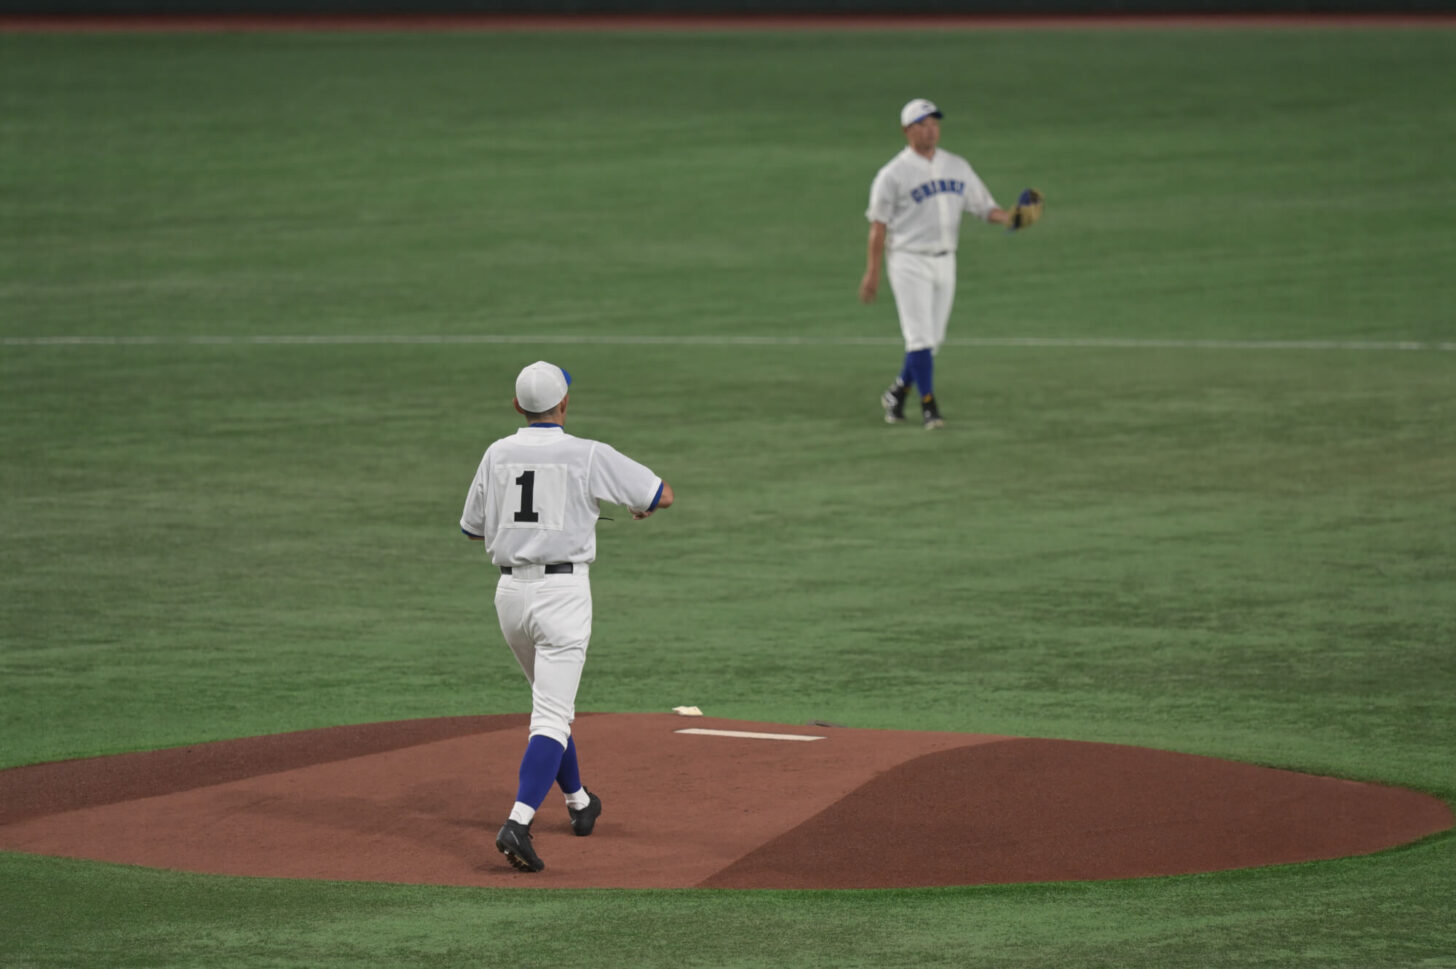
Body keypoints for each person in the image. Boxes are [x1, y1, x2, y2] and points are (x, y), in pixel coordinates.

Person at [459, 360, 674, 872]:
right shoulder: (586, 453)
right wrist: (642, 507)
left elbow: (472, 529)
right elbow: (660, 493)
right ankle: (518, 821)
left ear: (517, 407)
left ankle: (579, 801)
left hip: (510, 596)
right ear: (564, 404)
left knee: (550, 702)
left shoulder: (496, 453)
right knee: (552, 715)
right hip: (562, 596)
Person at [859, 97, 1028, 430]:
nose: (931, 130)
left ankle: (897, 393)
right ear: (907, 130)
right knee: (919, 338)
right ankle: (929, 407)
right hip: (908, 261)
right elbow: (877, 227)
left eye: (935, 123)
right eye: (923, 124)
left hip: (945, 260)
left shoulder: (957, 166)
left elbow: (984, 207)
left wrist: (1011, 217)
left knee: (931, 341)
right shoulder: (892, 175)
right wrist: (873, 272)